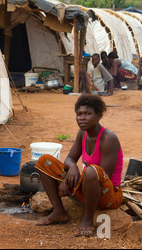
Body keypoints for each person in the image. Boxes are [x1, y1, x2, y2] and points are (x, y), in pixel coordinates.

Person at [34, 94, 124, 237]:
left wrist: (67, 182)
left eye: (88, 114)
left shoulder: (108, 138)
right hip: (87, 187)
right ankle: (59, 212)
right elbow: (70, 158)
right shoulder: (82, 133)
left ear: (99, 115)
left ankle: (87, 220)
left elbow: (103, 176)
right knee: (44, 160)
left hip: (109, 195)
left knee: (91, 171)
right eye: (79, 114)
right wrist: (73, 167)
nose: (82, 118)